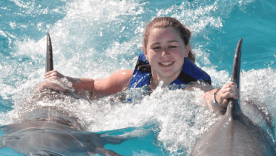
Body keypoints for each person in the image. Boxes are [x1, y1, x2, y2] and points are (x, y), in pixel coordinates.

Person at [41, 17, 238, 110]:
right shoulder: (129, 78)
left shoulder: (192, 85)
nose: (164, 54)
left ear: (186, 50)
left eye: (172, 46)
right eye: (156, 48)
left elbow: (206, 96)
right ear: (145, 51)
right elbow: (92, 87)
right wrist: (64, 80)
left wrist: (219, 97)